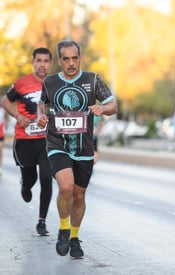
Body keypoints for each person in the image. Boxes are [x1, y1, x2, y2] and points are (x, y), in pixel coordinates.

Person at [37, 40, 117, 258]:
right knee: (66, 187)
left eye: (75, 58)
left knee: (79, 196)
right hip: (57, 143)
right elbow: (42, 104)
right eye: (66, 59)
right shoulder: (51, 82)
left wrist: (102, 108)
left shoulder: (92, 79)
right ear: (60, 60)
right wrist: (41, 117)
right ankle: (63, 229)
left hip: (84, 147)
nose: (71, 63)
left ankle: (74, 237)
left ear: (79, 58)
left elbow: (113, 105)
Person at [1, 47, 54, 235]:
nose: (42, 64)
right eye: (39, 60)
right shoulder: (22, 83)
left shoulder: (54, 84)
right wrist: (17, 115)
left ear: (50, 64)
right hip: (25, 140)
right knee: (30, 178)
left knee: (47, 178)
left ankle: (42, 221)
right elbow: (5, 101)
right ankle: (25, 184)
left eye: (46, 61)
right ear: (33, 62)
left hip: (47, 141)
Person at [0, 106, 8, 176]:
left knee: (0, 150)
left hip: (0, 133)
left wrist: (5, 126)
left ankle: (0, 167)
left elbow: (5, 120)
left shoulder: (2, 110)